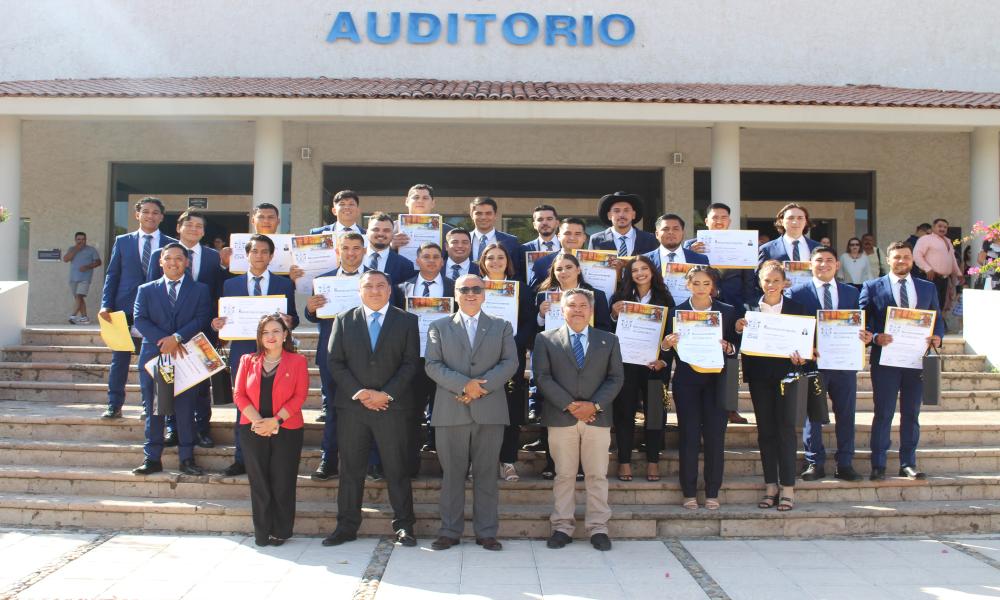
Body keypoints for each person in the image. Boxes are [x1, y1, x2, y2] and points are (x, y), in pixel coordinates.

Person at [322, 271, 421, 548]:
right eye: (369, 286)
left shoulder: (407, 320)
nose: (375, 291)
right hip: (354, 407)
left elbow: (410, 363)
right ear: (359, 290)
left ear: (390, 290)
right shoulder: (344, 320)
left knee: (396, 468)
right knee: (351, 470)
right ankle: (346, 526)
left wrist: (385, 394)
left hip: (393, 407)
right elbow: (335, 362)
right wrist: (361, 393)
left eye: (380, 286)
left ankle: (404, 526)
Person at [424, 274, 518, 551]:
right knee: (452, 475)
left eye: (477, 289)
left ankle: (486, 532)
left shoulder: (501, 326)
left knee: (487, 473)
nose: (471, 293)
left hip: (490, 410)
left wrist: (480, 389)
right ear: (455, 293)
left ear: (485, 293)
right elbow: (432, 364)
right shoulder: (438, 326)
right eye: (464, 289)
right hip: (450, 409)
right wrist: (465, 385)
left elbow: (510, 362)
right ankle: (450, 531)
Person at [533, 288, 624, 551]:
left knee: (597, 475)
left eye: (583, 305)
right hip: (562, 417)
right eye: (571, 305)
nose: (578, 310)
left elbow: (616, 378)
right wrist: (571, 405)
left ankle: (598, 528)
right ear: (562, 310)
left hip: (598, 417)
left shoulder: (608, 340)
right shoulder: (545, 339)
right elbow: (542, 377)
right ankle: (562, 527)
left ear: (591, 310)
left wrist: (593, 405)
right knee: (564, 475)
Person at [213, 234, 299, 477]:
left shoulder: (283, 285)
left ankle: (272, 454)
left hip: (275, 353)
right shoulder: (231, 285)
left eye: (264, 252)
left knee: (276, 401)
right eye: (255, 251)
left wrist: (290, 321)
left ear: (271, 256)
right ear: (247, 255)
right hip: (243, 352)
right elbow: (224, 318)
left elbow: (293, 316)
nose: (259, 256)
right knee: (244, 406)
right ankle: (242, 458)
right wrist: (218, 324)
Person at [861, 241, 944, 481]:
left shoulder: (927, 288)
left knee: (911, 413)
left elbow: (937, 319)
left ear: (912, 260)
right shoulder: (872, 287)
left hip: (916, 360)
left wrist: (937, 336)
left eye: (906, 257)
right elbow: (863, 323)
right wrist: (875, 337)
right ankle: (878, 464)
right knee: (883, 412)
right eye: (897, 257)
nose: (902, 261)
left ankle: (908, 463)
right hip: (886, 360)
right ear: (888, 259)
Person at [788, 246, 872, 483]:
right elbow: (794, 328)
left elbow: (863, 324)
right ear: (810, 264)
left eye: (829, 260)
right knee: (812, 415)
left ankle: (845, 463)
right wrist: (804, 348)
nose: (824, 264)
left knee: (846, 413)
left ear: (837, 265)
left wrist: (866, 336)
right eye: (818, 260)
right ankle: (814, 462)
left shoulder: (852, 293)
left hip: (844, 363)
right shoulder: (797, 293)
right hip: (813, 363)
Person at [659, 266, 738, 511]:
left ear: (712, 286)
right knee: (689, 436)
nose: (701, 288)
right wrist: (666, 344)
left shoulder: (727, 311)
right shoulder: (676, 312)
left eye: (706, 284)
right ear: (687, 285)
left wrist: (729, 347)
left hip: (717, 380)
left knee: (715, 436)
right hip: (687, 381)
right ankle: (689, 491)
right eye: (696, 283)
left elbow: (736, 347)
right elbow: (664, 349)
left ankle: (713, 491)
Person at [131, 243, 212, 477]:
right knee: (156, 409)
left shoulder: (200, 290)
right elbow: (140, 319)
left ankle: (187, 458)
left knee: (185, 409)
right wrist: (164, 341)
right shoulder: (146, 289)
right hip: (156, 356)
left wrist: (176, 338)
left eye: (179, 258)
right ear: (160, 261)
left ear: (187, 262)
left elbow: (202, 317)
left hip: (185, 356)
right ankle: (152, 458)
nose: (173, 262)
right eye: (168, 258)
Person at [735, 261, 808, 512]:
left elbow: (807, 342)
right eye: (767, 280)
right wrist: (737, 329)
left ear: (784, 282)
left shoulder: (798, 308)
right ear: (759, 282)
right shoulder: (748, 309)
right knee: (765, 432)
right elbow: (736, 341)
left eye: (776, 280)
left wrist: (803, 356)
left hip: (787, 376)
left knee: (786, 430)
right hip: (759, 377)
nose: (772, 285)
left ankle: (787, 487)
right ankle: (770, 486)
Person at [148, 209, 224, 449]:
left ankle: (202, 428)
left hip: (202, 330)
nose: (194, 229)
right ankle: (174, 429)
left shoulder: (213, 256)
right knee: (169, 383)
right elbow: (152, 291)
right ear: (179, 227)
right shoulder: (161, 255)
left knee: (201, 384)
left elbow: (218, 293)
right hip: (168, 335)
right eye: (189, 225)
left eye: (199, 226)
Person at [233, 314, 309, 547]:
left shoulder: (297, 361)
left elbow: (300, 396)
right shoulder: (247, 360)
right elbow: (239, 394)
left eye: (276, 331)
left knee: (283, 480)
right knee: (259, 482)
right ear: (259, 337)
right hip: (252, 428)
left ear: (285, 334)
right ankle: (262, 531)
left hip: (286, 428)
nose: (271, 336)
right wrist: (258, 422)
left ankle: (281, 530)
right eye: (265, 332)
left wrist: (275, 421)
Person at [99, 197, 178, 419]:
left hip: (156, 311)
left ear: (162, 217)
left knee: (155, 360)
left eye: (155, 212)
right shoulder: (123, 241)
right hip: (123, 308)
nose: (150, 216)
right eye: (145, 211)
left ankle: (149, 406)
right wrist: (106, 304)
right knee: (120, 359)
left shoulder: (170, 244)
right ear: (137, 215)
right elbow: (112, 274)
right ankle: (114, 404)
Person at [299, 232, 368, 481]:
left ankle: (369, 461)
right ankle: (329, 460)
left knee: (368, 409)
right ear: (338, 252)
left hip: (369, 357)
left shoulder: (376, 280)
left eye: (356, 248)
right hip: (332, 355)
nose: (351, 253)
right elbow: (314, 317)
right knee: (332, 410)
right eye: (346, 248)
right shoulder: (322, 280)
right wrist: (310, 308)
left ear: (363, 251)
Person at [681, 204, 753, 424]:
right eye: (715, 217)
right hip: (700, 311)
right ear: (706, 221)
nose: (720, 221)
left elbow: (749, 284)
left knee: (730, 360)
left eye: (724, 217)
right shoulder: (691, 246)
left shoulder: (742, 245)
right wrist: (692, 253)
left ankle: (730, 407)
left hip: (731, 311)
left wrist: (746, 310)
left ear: (729, 221)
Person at [608, 255, 674, 482]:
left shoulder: (664, 298)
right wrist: (614, 314)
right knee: (624, 413)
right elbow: (608, 330)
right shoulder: (620, 297)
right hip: (626, 364)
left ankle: (653, 462)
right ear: (629, 275)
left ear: (653, 271)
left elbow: (671, 334)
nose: (640, 273)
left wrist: (664, 359)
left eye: (644, 268)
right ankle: (624, 462)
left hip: (654, 366)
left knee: (655, 414)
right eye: (634, 270)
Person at [393, 242, 455, 469]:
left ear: (442, 262)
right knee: (411, 414)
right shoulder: (401, 289)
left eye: (435, 257)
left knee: (443, 415)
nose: (430, 260)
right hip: (411, 360)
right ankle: (410, 465)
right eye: (425, 256)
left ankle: (445, 466)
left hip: (444, 360)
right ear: (417, 261)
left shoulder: (454, 288)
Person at [478, 243, 534, 482]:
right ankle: (479, 462)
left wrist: (512, 343)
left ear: (507, 262)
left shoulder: (521, 288)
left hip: (511, 356)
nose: (496, 262)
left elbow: (530, 322)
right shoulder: (474, 286)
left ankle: (508, 461)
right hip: (478, 357)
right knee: (479, 408)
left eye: (501, 257)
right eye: (490, 258)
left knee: (509, 409)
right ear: (483, 262)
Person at [587, 191, 659, 257]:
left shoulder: (649, 239)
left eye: (626, 210)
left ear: (633, 214)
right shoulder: (596, 240)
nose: (621, 215)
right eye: (617, 211)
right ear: (609, 215)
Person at [913, 218, 962, 311]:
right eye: (940, 226)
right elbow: (917, 255)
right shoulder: (925, 239)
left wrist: (958, 274)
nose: (942, 229)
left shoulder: (948, 241)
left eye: (945, 227)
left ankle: (937, 325)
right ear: (933, 227)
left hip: (944, 280)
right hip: (930, 277)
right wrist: (927, 268)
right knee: (929, 307)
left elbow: (952, 259)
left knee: (940, 306)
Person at [468, 197, 523, 276]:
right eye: (479, 213)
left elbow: (516, 272)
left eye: (488, 213)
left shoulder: (511, 241)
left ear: (495, 215)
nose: (483, 217)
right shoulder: (463, 240)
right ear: (471, 215)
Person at [219, 203, 282, 271]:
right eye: (261, 217)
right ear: (252, 220)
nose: (266, 221)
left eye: (270, 217)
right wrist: (225, 264)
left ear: (278, 221)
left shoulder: (289, 246)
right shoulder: (236, 247)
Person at [530, 217, 591, 288]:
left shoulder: (597, 263)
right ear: (558, 236)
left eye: (577, 234)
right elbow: (534, 293)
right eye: (567, 233)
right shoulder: (542, 263)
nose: (572, 238)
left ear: (584, 237)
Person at [391, 183, 454, 250]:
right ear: (407, 201)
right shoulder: (391, 228)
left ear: (433, 203)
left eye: (425, 198)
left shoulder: (449, 231)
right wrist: (390, 246)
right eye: (416, 197)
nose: (420, 201)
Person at [757, 203, 820, 270]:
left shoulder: (818, 248)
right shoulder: (767, 249)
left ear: (806, 222)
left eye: (800, 218)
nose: (795, 222)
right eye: (791, 218)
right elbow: (759, 276)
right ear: (781, 221)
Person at [643, 213, 710, 272]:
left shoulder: (701, 260)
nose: (671, 232)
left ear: (683, 233)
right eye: (665, 229)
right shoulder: (644, 260)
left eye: (675, 229)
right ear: (657, 234)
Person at [366, 212, 416, 284]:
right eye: (376, 229)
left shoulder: (405, 265)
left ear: (393, 234)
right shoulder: (352, 258)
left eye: (386, 230)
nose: (381, 234)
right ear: (367, 232)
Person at [63, 231, 102, 325]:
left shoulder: (91, 250)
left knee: (79, 295)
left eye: (83, 239)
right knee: (78, 298)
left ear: (85, 240)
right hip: (73, 278)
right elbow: (65, 259)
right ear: (75, 240)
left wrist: (87, 267)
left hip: (85, 278)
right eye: (78, 239)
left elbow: (98, 262)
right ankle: (84, 317)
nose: (81, 241)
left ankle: (73, 316)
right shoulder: (72, 249)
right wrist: (76, 249)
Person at [521, 204, 561, 287]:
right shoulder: (523, 249)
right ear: (534, 225)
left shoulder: (567, 247)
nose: (545, 222)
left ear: (557, 223)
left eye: (549, 219)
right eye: (540, 219)